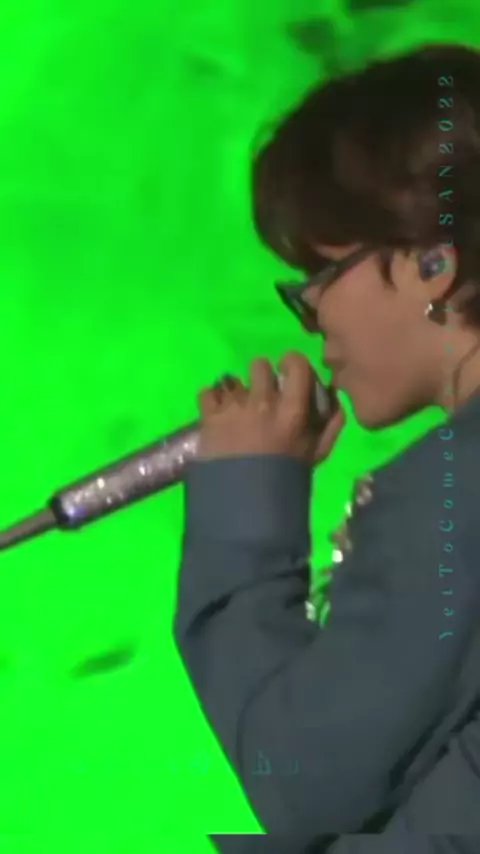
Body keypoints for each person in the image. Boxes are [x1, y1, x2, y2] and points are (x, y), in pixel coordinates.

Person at [173, 42, 480, 852]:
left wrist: (245, 504)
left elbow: (301, 778)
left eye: (318, 278)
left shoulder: (452, 497)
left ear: (432, 262)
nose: (313, 321)